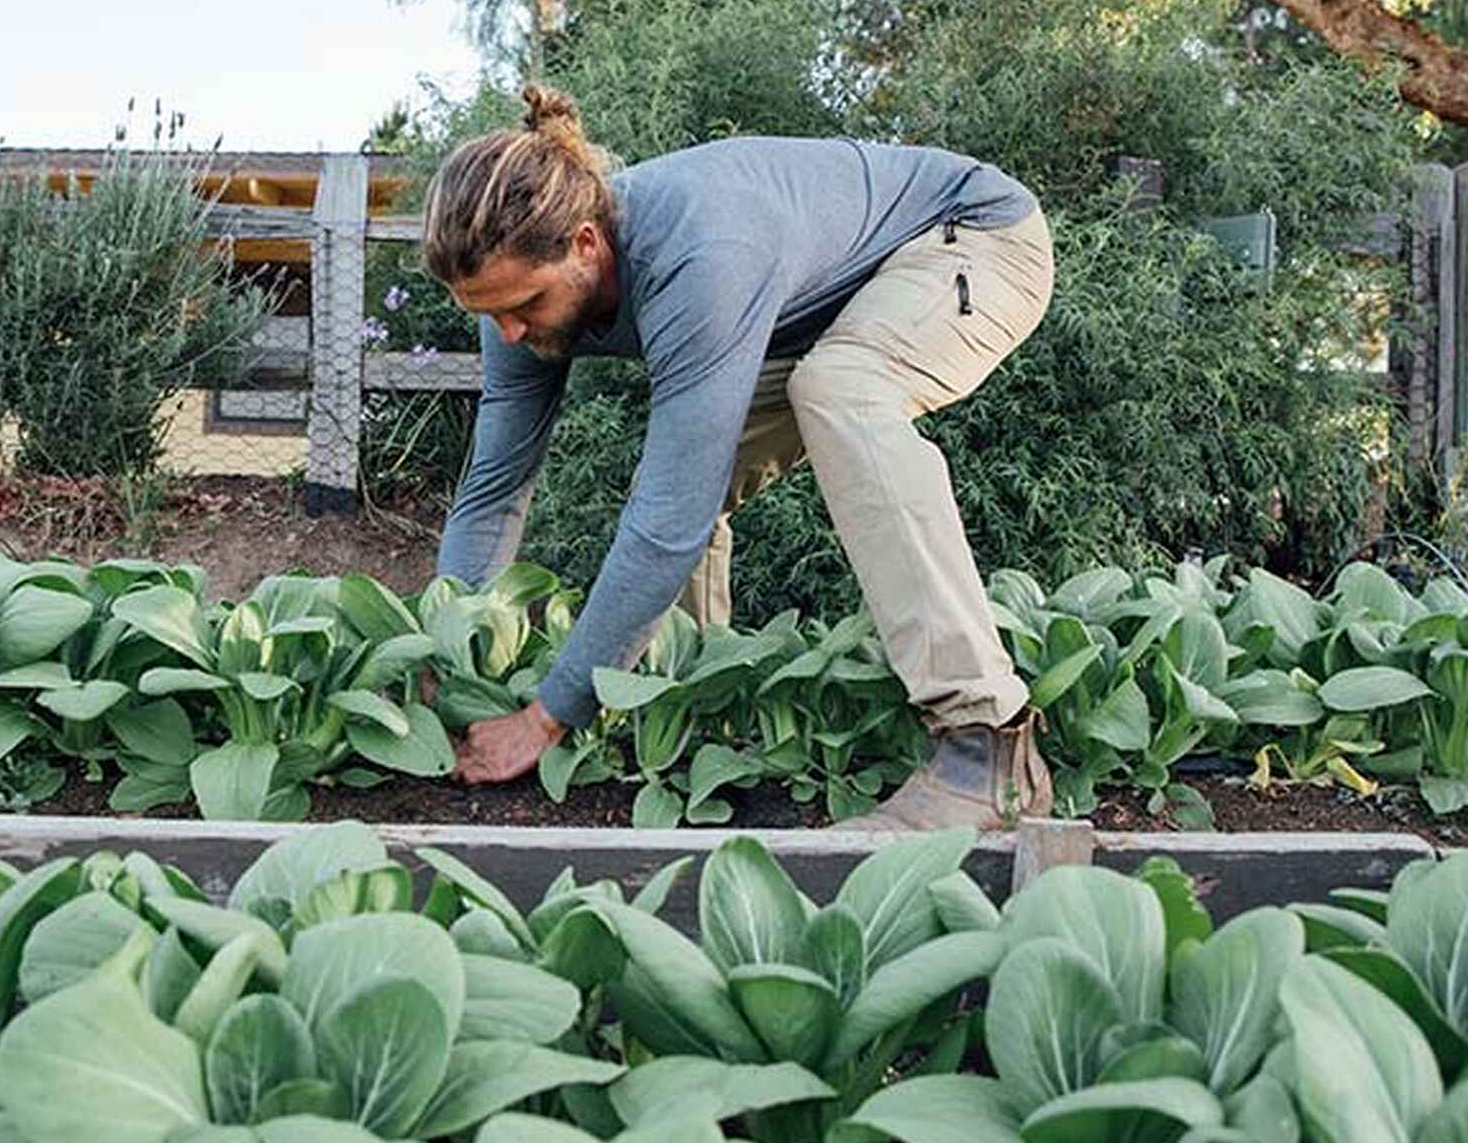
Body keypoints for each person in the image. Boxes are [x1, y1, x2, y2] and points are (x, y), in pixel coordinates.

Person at [427, 85, 1056, 831]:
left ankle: (984, 744)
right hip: (816, 310)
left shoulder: (700, 254)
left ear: (587, 245)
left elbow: (669, 525)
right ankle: (689, 719)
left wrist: (547, 716)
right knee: (689, 474)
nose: (507, 333)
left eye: (522, 305)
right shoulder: (512, 290)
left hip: (973, 239)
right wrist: (438, 670)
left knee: (838, 392)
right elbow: (493, 490)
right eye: (486, 313)